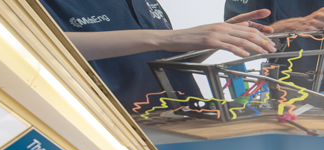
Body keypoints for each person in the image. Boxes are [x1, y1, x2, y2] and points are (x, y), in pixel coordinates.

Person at [39, 0, 277, 113]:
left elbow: (159, 60)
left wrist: (215, 39)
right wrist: (168, 39)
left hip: (181, 120)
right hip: (115, 128)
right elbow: (36, 44)